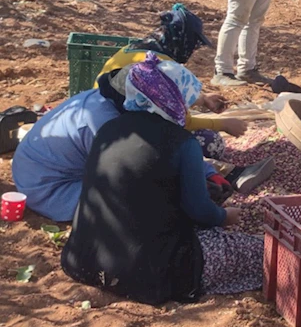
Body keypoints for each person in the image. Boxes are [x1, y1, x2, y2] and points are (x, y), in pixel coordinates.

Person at [61, 53, 263, 304]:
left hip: (82, 259)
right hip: (147, 276)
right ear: (174, 101)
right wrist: (224, 217)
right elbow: (199, 210)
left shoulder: (109, 129)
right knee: (262, 253)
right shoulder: (182, 142)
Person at [12, 67, 273, 222]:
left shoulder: (120, 104)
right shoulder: (104, 125)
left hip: (59, 170)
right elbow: (137, 174)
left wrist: (208, 174)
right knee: (153, 198)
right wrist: (216, 215)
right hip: (52, 189)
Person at [97, 3, 247, 139]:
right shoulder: (159, 65)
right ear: (182, 38)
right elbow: (183, 121)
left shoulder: (140, 49)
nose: (193, 50)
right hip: (114, 126)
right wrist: (223, 124)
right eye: (193, 43)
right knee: (203, 140)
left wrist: (203, 98)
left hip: (102, 113)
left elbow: (163, 93)